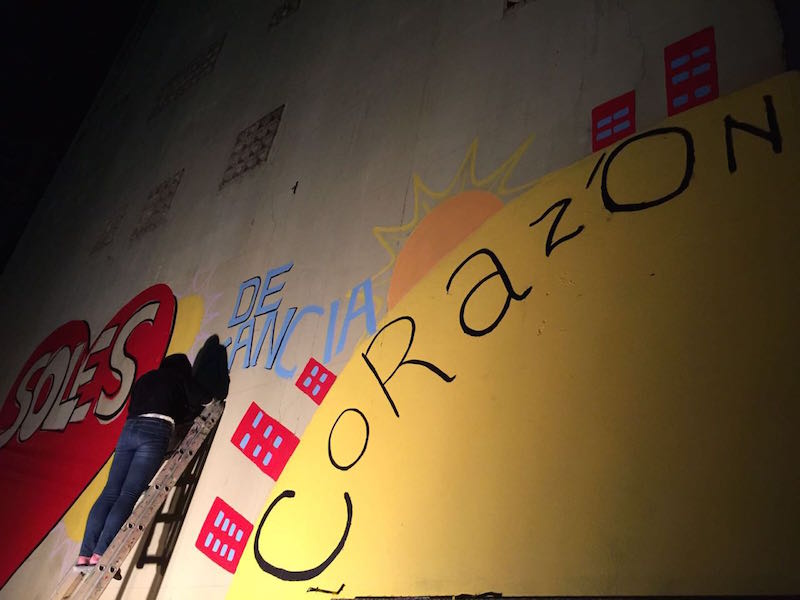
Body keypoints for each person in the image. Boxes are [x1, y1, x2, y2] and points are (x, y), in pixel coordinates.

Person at [76, 336, 229, 568]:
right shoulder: (179, 378)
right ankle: (100, 554)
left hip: (129, 429)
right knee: (128, 494)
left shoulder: (145, 379)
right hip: (154, 430)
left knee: (110, 492)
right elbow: (204, 399)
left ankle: (84, 554)